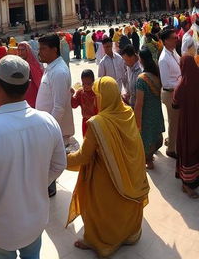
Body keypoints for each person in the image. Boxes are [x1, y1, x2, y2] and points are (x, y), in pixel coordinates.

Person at [0, 56, 66, 259]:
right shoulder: (48, 122)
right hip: (35, 222)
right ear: (27, 86)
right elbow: (59, 164)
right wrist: (36, 184)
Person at [66, 77, 149, 257]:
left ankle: (104, 243)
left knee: (102, 208)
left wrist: (62, 160)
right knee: (125, 207)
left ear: (104, 97)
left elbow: (84, 156)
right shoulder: (127, 112)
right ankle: (129, 235)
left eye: (97, 95)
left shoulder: (98, 123)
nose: (95, 99)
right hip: (130, 175)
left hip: (106, 179)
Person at [36, 33, 74, 198]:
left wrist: (48, 129)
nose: (40, 52)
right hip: (47, 124)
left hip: (50, 127)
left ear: (54, 50)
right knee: (45, 160)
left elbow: (59, 107)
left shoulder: (58, 72)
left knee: (48, 160)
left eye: (43, 49)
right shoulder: (51, 67)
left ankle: (48, 188)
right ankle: (47, 187)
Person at [172, 55, 199, 198]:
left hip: (187, 124)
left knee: (187, 149)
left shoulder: (181, 86)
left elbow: (175, 105)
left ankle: (186, 184)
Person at [134, 47, 165, 170]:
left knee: (146, 136)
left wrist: (137, 122)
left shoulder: (142, 79)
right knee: (154, 135)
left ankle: (148, 161)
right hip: (156, 111)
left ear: (141, 60)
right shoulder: (156, 74)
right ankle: (150, 156)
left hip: (146, 113)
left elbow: (139, 103)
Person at [158, 27, 181, 158]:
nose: (176, 40)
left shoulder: (173, 52)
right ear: (166, 41)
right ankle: (172, 149)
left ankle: (173, 143)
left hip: (177, 91)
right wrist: (182, 83)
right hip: (170, 93)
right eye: (174, 38)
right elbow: (166, 82)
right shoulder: (163, 59)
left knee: (176, 121)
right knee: (174, 122)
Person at [70, 69, 97, 136]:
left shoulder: (97, 92)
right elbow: (74, 105)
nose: (86, 86)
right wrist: (71, 95)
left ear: (93, 82)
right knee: (86, 141)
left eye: (88, 84)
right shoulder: (80, 93)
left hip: (97, 122)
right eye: (83, 84)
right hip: (85, 122)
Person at [16, 41, 43, 108]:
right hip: (21, 97)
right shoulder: (16, 64)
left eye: (22, 50)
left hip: (34, 96)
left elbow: (39, 81)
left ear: (27, 51)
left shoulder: (33, 65)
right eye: (18, 50)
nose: (20, 53)